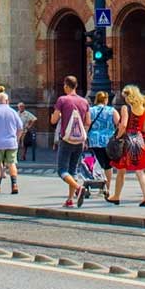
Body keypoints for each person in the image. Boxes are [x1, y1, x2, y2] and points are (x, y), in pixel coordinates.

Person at [109, 85, 145, 206]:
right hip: (138, 139)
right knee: (140, 170)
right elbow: (144, 128)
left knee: (121, 169)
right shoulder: (144, 110)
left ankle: (116, 196)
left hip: (127, 140)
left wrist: (117, 137)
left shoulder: (126, 108)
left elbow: (123, 125)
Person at [52, 76, 91, 208]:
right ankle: (70, 199)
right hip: (79, 141)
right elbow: (88, 122)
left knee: (62, 170)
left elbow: (53, 120)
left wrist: (57, 116)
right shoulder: (84, 101)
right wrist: (82, 135)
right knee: (73, 170)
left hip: (67, 139)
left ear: (67, 86)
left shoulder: (62, 100)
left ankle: (78, 188)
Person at [86, 89, 117, 181]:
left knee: (96, 161)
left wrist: (85, 138)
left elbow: (87, 124)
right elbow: (118, 123)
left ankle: (97, 181)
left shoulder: (91, 111)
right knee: (108, 165)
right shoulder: (111, 110)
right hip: (108, 141)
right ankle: (107, 187)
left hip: (94, 140)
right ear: (106, 100)